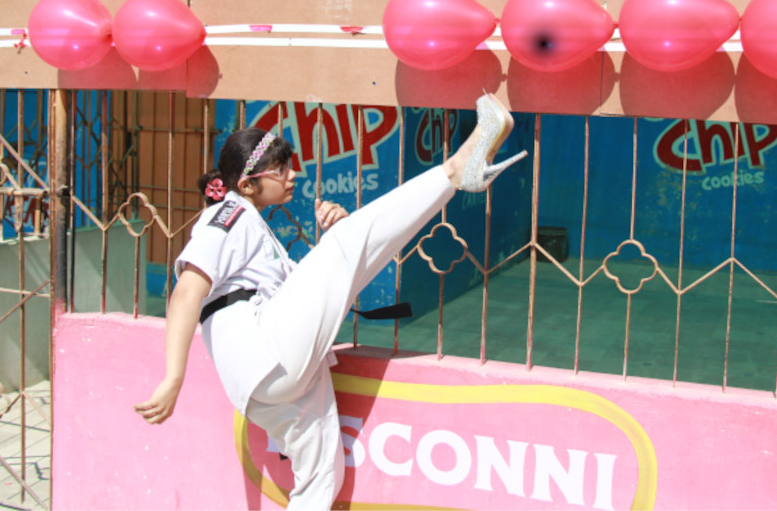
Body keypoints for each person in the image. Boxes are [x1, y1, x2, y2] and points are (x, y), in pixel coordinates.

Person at [134, 93, 526, 509]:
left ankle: (452, 174)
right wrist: (173, 378)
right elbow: (187, 290)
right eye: (280, 169)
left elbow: (308, 297)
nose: (292, 175)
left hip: (262, 383)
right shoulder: (228, 215)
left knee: (321, 481)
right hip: (262, 353)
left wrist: (335, 238)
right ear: (246, 185)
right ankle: (456, 168)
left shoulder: (255, 229)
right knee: (346, 243)